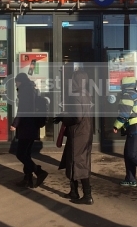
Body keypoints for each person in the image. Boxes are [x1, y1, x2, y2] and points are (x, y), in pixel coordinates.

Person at [53, 70, 94, 205]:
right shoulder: (86, 93)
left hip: (78, 134)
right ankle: (74, 192)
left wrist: (63, 117)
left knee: (78, 162)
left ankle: (87, 195)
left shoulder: (76, 95)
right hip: (84, 132)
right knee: (73, 160)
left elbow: (76, 117)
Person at [10, 72, 48, 188]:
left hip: (27, 127)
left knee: (21, 154)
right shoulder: (32, 89)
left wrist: (15, 124)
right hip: (32, 126)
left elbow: (22, 110)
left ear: (20, 81)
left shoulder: (25, 91)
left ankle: (39, 171)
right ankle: (28, 179)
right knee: (26, 154)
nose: (16, 84)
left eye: (16, 81)